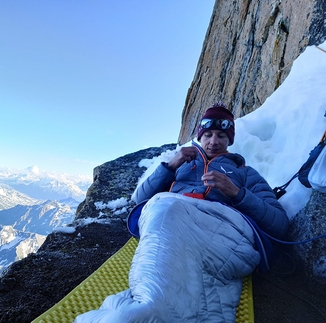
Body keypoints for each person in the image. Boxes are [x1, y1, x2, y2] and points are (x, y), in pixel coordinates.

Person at [74, 103, 289, 323]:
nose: (214, 141)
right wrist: (170, 166)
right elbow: (140, 199)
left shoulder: (245, 173)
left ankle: (150, 309)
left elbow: (279, 223)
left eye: (222, 136)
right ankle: (152, 308)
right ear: (200, 136)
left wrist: (235, 192)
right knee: (165, 211)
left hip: (219, 227)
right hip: (171, 216)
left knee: (168, 215)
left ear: (230, 140)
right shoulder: (182, 164)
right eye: (209, 135)